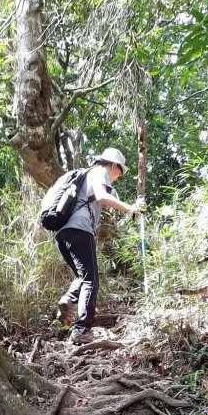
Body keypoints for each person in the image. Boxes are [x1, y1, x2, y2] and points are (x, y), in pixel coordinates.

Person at [55, 147, 146, 344]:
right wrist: (131, 208)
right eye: (119, 172)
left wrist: (134, 206)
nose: (118, 177)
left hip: (63, 234)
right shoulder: (99, 172)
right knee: (91, 280)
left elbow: (108, 196)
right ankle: (81, 330)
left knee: (83, 276)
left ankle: (68, 299)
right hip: (80, 231)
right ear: (114, 166)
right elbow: (102, 196)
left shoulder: (87, 175)